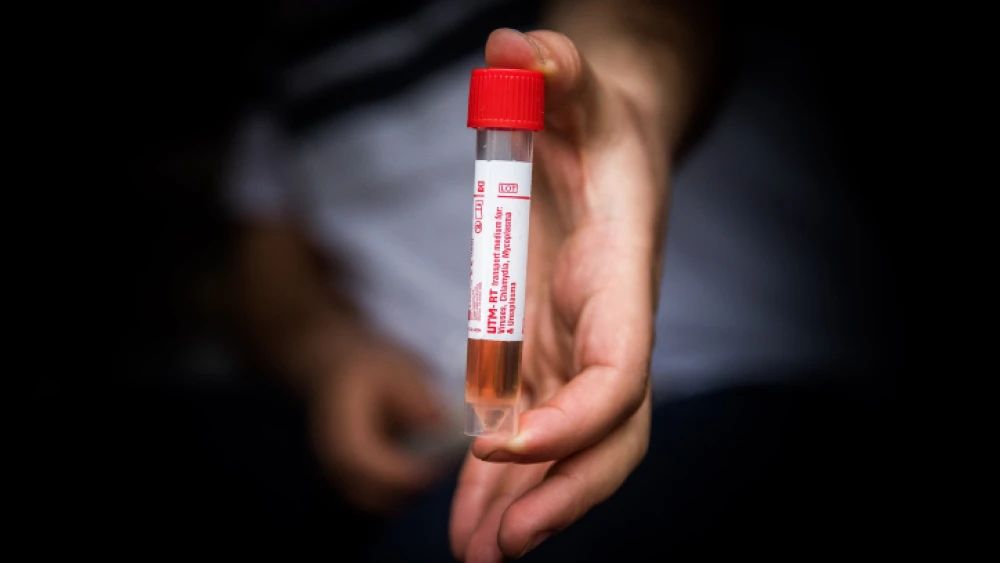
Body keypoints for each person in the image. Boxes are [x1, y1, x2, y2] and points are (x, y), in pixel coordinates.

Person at [217, 0, 895, 559]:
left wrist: (623, 104)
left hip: (726, 373)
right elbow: (266, 264)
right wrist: (334, 352)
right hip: (456, 429)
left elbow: (643, 22)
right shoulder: (284, 53)